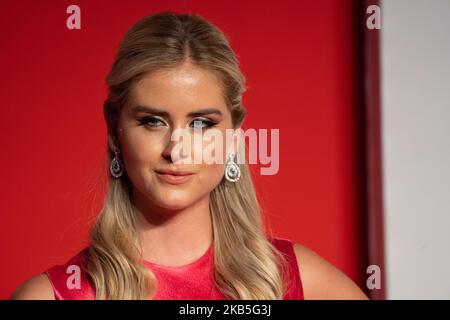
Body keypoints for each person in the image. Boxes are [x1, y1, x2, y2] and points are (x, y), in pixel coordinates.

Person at [12, 12, 368, 300]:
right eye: (152, 121)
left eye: (201, 123)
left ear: (233, 135)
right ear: (114, 131)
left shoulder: (298, 281)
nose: (177, 149)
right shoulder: (56, 295)